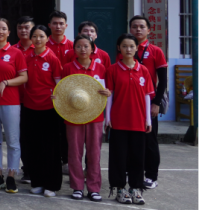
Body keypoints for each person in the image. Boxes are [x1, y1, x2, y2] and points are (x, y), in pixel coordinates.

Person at [60, 34, 110, 202]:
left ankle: (94, 188)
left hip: (95, 116)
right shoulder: (67, 68)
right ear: (74, 49)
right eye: (79, 46)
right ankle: (77, 187)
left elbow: (108, 89)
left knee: (94, 153)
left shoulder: (101, 68)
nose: (83, 49)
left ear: (92, 49)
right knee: (74, 152)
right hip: (73, 115)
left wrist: (108, 92)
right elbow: (62, 90)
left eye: (86, 46)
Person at [106, 33, 154, 205]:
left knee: (137, 157)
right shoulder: (112, 70)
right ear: (119, 48)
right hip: (118, 120)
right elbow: (109, 96)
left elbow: (147, 96)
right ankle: (119, 188)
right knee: (118, 157)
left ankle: (136, 188)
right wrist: (107, 118)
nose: (128, 49)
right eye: (124, 46)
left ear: (136, 48)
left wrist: (148, 119)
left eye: (132, 46)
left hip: (138, 121)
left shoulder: (144, 70)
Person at [0, 18, 27, 194]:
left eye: (3, 29)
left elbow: (24, 77)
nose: (0, 32)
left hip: (11, 102)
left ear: (9, 32)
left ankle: (11, 176)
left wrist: (6, 82)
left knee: (13, 141)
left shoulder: (16, 53)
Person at [20, 25, 63, 197]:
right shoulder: (26, 57)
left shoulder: (52, 58)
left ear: (47, 38)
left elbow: (59, 84)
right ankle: (37, 181)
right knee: (33, 146)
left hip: (49, 108)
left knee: (50, 148)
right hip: (30, 106)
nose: (38, 39)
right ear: (31, 39)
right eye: (35, 36)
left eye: (41, 36)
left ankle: (51, 185)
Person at [126, 15, 167, 190]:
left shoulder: (155, 51)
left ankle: (151, 176)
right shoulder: (125, 49)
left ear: (149, 30)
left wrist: (156, 103)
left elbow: (163, 81)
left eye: (142, 27)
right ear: (130, 29)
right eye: (134, 26)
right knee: (131, 139)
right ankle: (133, 171)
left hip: (148, 102)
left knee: (150, 140)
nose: (138, 29)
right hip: (129, 102)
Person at [47, 10, 72, 173]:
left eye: (61, 23)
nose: (58, 26)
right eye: (55, 23)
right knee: (50, 131)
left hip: (69, 97)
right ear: (49, 25)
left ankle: (67, 162)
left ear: (66, 26)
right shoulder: (42, 45)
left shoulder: (74, 47)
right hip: (48, 97)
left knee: (67, 132)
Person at [12, 15, 34, 183]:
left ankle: (34, 169)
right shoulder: (12, 50)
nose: (23, 30)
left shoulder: (39, 48)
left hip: (35, 101)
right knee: (20, 137)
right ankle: (26, 169)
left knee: (32, 136)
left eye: (27, 27)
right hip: (16, 99)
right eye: (20, 27)